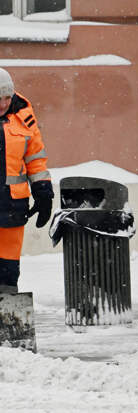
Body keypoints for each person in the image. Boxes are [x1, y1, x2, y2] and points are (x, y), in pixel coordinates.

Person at [0, 68, 54, 293]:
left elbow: (35, 158)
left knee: (8, 268)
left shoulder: (24, 117)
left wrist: (43, 192)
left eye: (7, 97)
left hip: (12, 204)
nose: (3, 103)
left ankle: (7, 315)